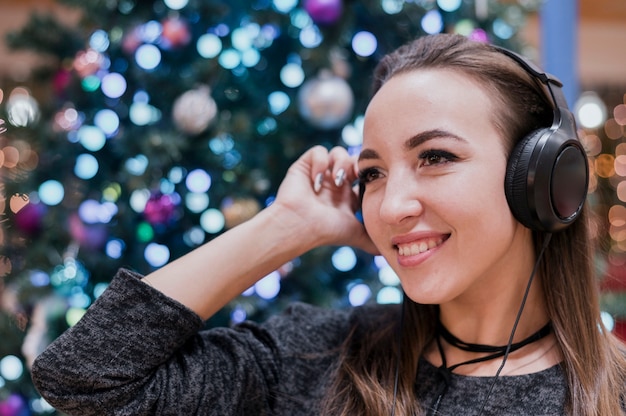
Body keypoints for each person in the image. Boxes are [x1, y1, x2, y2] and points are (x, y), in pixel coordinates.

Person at [31, 33, 626, 416]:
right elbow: (85, 378)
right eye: (372, 173)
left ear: (546, 180)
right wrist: (287, 226)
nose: (392, 207)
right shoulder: (319, 357)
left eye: (436, 158)